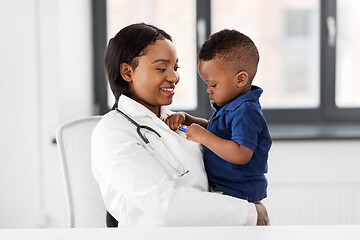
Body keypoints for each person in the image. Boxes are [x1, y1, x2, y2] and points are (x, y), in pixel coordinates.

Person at [91, 23, 268, 227]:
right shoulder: (113, 132)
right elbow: (165, 205)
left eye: (175, 68)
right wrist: (248, 213)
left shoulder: (176, 121)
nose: (174, 77)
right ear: (127, 72)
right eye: (161, 68)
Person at [165, 29, 271, 204]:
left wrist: (203, 137)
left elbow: (241, 153)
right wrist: (187, 119)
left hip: (239, 195)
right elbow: (219, 132)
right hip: (225, 191)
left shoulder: (246, 111)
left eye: (213, 84)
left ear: (240, 79)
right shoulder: (232, 106)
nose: (208, 89)